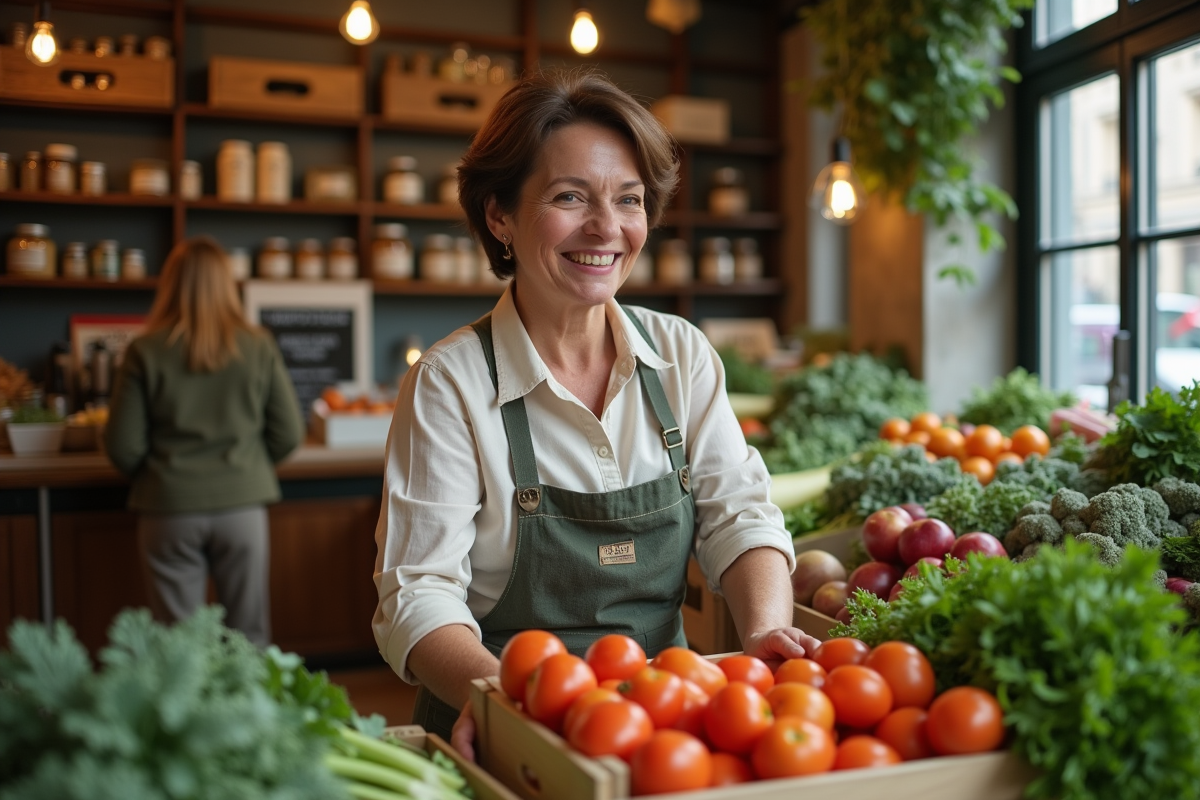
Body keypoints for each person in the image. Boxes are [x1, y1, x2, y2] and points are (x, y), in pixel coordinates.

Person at [372, 68, 820, 756]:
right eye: (569, 196)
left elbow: (741, 513)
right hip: (498, 724)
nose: (607, 228)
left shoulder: (681, 355)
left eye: (629, 199)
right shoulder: (449, 383)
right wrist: (519, 711)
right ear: (500, 216)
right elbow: (418, 595)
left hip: (663, 725)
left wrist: (762, 633)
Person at [105, 236, 304, 647]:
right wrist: (245, 468)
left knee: (180, 646)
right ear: (226, 284)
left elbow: (123, 446)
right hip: (242, 509)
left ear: (171, 284)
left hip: (169, 507)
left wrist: (162, 474)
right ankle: (250, 713)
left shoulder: (145, 350)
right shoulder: (258, 345)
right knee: (249, 637)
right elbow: (288, 433)